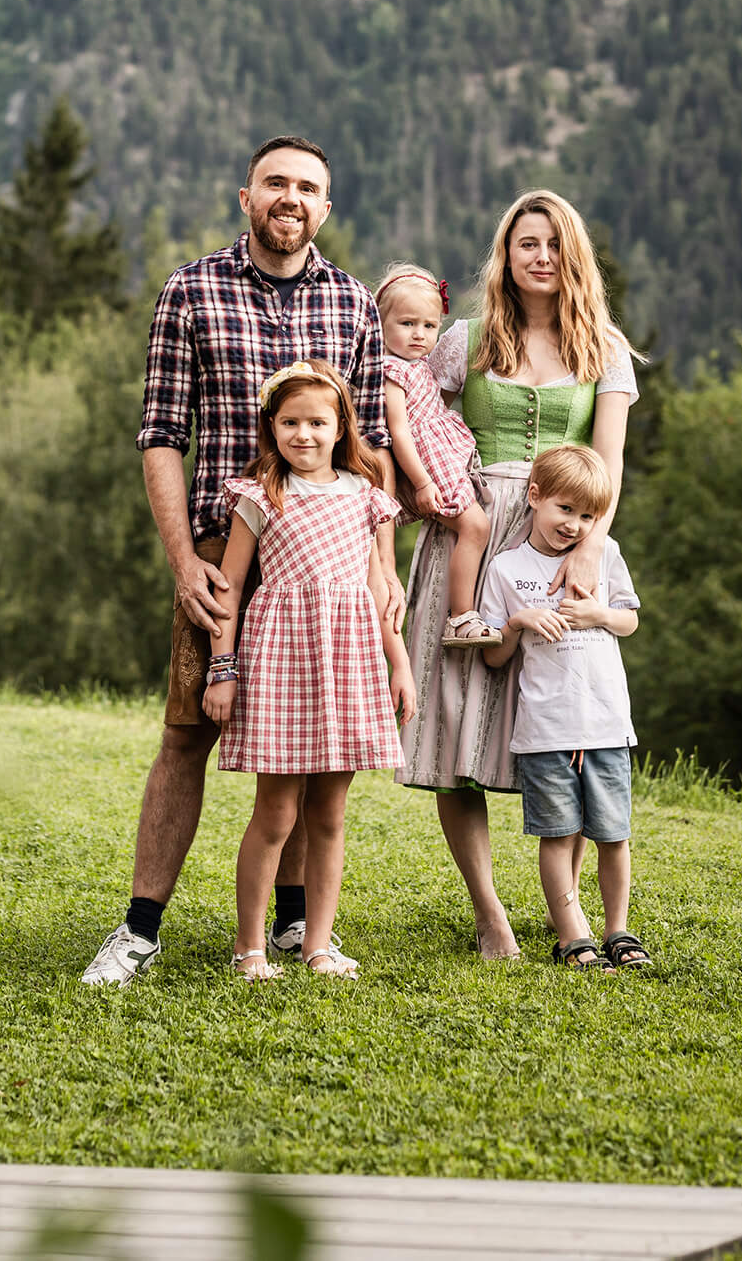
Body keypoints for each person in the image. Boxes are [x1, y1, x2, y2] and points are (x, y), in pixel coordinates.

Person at [81, 136, 400, 987]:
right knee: (186, 729)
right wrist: (185, 560)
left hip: (330, 555)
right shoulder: (191, 289)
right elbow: (159, 438)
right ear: (245, 196)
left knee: (318, 736)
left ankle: (295, 923)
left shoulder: (354, 305)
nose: (290, 197)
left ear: (325, 207)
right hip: (226, 550)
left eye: (307, 187)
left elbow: (370, 454)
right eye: (275, 183)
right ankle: (140, 928)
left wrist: (384, 567)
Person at [399, 191, 638, 961]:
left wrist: (587, 552)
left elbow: (607, 466)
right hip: (466, 535)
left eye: (551, 244)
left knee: (562, 726)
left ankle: (562, 905)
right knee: (455, 727)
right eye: (523, 243)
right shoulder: (462, 340)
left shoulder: (603, 349)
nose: (538, 256)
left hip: (554, 538)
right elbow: (402, 420)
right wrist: (424, 498)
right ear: (504, 255)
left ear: (573, 257)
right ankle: (489, 912)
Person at [205, 360, 415, 979]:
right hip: (280, 662)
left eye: (318, 422)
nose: (305, 435)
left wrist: (398, 665)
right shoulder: (260, 496)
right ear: (272, 427)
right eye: (291, 422)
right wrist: (223, 668)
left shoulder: (366, 496)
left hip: (349, 664)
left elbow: (379, 595)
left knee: (329, 814)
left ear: (340, 425)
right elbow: (230, 590)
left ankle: (318, 944)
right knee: (275, 812)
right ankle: (249, 948)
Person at [479, 445, 650, 972]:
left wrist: (598, 611)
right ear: (535, 497)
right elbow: (494, 656)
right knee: (556, 836)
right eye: (564, 510)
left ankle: (618, 929)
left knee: (613, 835)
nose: (575, 525)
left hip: (606, 723)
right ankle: (572, 934)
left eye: (587, 516)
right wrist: (519, 622)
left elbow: (629, 621)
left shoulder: (604, 555)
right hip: (547, 729)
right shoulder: (507, 569)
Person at [375, 265, 495, 649]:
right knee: (475, 528)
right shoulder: (392, 371)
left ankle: (465, 610)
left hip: (438, 458)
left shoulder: (418, 365)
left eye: (429, 326)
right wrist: (423, 482)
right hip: (428, 466)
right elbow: (398, 432)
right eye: (407, 323)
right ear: (380, 324)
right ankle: (461, 617)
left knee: (476, 528)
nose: (418, 334)